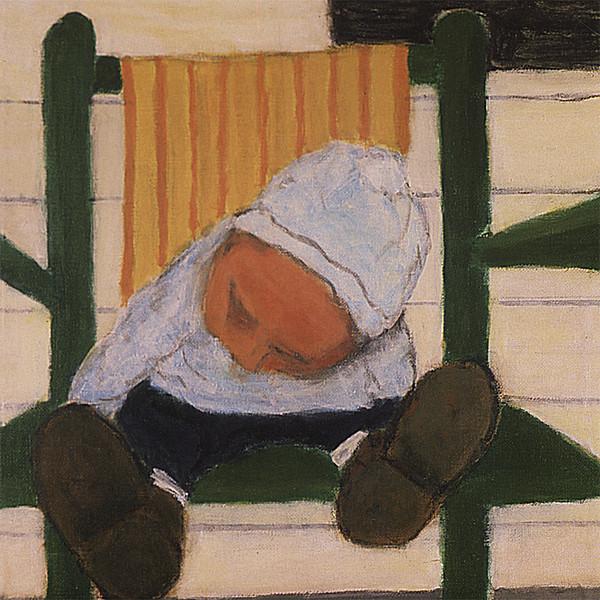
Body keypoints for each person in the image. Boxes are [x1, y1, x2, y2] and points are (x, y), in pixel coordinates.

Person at [33, 142, 499, 599]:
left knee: (371, 424)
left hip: (330, 408)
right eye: (239, 310)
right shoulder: (198, 270)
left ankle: (393, 481)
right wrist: (91, 407)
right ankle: (132, 540)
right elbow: (138, 337)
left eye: (292, 353)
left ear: (362, 339)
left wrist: (400, 406)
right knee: (146, 439)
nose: (250, 357)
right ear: (231, 242)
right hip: (188, 407)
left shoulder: (376, 330)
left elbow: (392, 370)